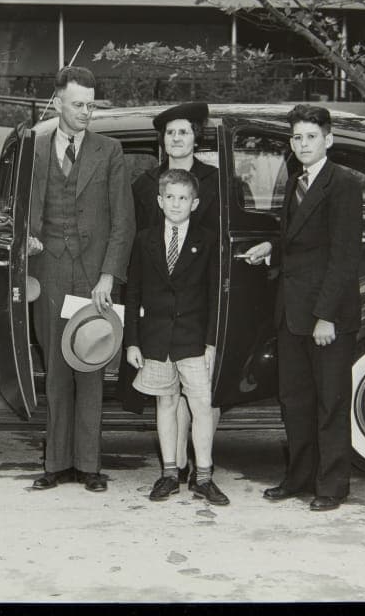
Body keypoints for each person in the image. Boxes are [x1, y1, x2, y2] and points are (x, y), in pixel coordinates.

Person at [244, 104, 362, 512]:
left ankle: (332, 487)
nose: (303, 143)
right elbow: (301, 243)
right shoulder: (297, 179)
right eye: (297, 137)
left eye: (311, 136)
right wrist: (272, 249)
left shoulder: (342, 184)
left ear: (328, 139)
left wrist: (326, 315)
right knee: (295, 402)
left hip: (326, 318)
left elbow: (344, 257)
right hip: (292, 314)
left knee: (330, 403)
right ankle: (298, 478)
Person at [28, 66, 135, 493]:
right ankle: (56, 464)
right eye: (78, 104)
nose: (87, 112)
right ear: (58, 103)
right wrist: (26, 242)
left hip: (93, 275)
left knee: (90, 366)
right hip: (48, 271)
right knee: (55, 369)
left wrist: (108, 275)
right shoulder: (32, 148)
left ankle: (89, 466)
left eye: (91, 104)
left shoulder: (109, 151)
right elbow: (15, 210)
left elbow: (122, 222)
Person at [123, 102, 221, 487]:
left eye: (184, 131)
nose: (177, 138)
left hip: (194, 317)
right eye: (170, 132)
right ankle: (171, 468)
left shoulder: (215, 180)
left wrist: (212, 337)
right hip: (158, 322)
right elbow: (137, 276)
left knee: (199, 402)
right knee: (166, 400)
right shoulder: (146, 185)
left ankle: (202, 473)